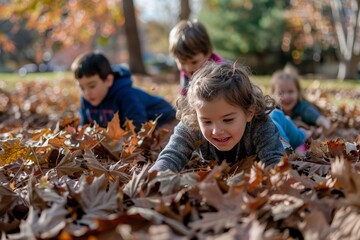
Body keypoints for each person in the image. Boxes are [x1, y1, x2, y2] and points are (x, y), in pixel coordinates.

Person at [149, 62, 285, 173]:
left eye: (227, 120)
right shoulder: (192, 123)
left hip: (277, 128)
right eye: (207, 121)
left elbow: (274, 159)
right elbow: (172, 155)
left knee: (279, 122)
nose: (216, 131)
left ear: (249, 112)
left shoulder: (261, 125)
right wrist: (154, 177)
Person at [71, 52, 177, 131]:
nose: (86, 92)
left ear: (108, 80)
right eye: (82, 87)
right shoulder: (86, 99)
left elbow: (138, 124)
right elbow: (85, 126)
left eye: (92, 86)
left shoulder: (125, 94)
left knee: (161, 142)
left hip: (165, 117)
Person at [169, 19, 224, 96]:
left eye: (194, 62)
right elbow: (184, 97)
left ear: (208, 53)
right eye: (182, 62)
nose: (188, 68)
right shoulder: (186, 73)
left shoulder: (220, 70)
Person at [270, 68, 331, 132]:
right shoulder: (272, 111)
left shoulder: (303, 108)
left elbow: (320, 119)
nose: (286, 97)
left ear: (298, 92)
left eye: (290, 92)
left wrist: (324, 125)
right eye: (280, 93)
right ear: (272, 94)